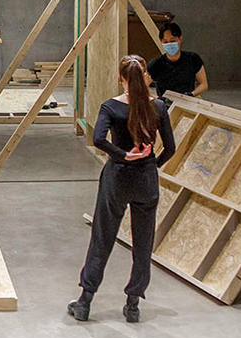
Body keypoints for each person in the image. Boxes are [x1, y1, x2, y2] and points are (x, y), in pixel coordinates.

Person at [70, 56, 176, 324]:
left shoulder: (111, 107)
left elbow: (98, 139)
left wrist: (122, 156)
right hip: (146, 181)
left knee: (102, 237)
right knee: (143, 243)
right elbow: (171, 148)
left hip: (118, 177)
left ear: (121, 78)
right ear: (145, 77)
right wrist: (151, 165)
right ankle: (132, 305)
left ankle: (85, 301)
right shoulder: (159, 107)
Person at [148, 21, 208, 98]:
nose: (169, 44)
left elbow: (204, 84)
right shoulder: (156, 64)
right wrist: (158, 99)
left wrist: (191, 94)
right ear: (161, 42)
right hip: (165, 104)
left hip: (188, 99)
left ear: (180, 39)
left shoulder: (193, 59)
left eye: (172, 41)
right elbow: (142, 87)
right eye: (165, 42)